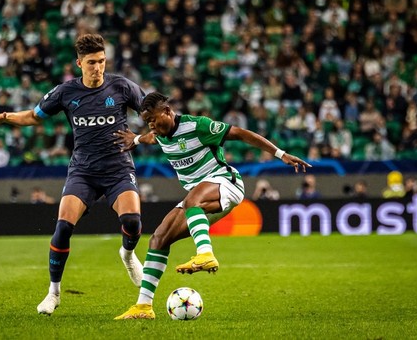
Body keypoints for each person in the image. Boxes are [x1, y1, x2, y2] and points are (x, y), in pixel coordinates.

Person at [0, 33, 146, 316]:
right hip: (83, 171)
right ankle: (53, 292)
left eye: (102, 61)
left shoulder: (122, 87)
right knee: (63, 227)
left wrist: (140, 137)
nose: (98, 68)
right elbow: (34, 116)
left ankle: (128, 254)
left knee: (132, 222)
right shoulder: (66, 92)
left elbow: (153, 113)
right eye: (92, 62)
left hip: (118, 169)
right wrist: (7, 117)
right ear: (79, 63)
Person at [113, 92, 311, 319]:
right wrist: (136, 139)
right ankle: (144, 307)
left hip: (226, 183)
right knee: (159, 238)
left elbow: (240, 133)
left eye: (153, 120)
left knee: (191, 201)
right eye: (147, 122)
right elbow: (150, 138)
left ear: (167, 112)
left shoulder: (198, 126)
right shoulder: (160, 133)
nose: (152, 127)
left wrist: (281, 154)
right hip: (199, 199)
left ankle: (205, 253)